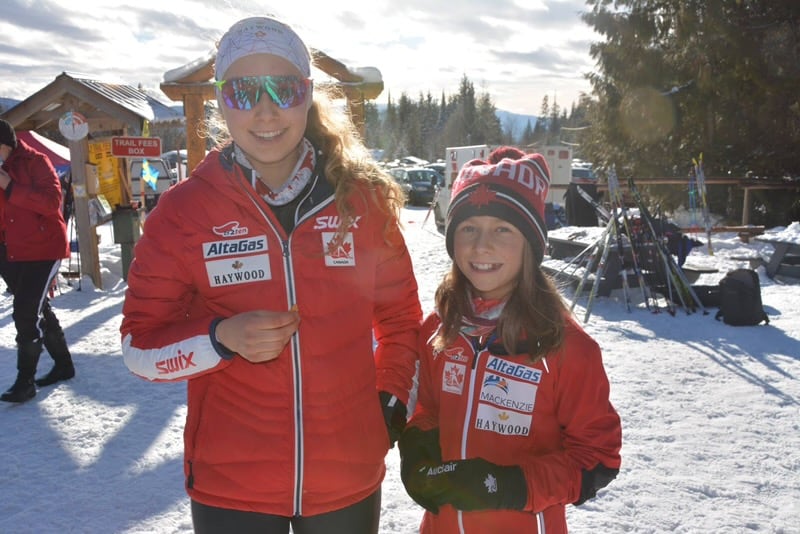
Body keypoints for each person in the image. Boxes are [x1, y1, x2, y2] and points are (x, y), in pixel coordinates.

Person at [120, 15, 422, 534]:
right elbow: (140, 350)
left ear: (306, 95)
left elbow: (402, 322)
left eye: (283, 89)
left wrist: (389, 405)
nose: (265, 110)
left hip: (346, 479)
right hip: (232, 487)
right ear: (221, 100)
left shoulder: (362, 201)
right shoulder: (184, 212)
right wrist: (221, 339)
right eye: (243, 91)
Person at [398, 147, 622, 533]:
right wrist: (417, 443)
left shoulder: (566, 347)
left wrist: (511, 486)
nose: (481, 246)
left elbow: (597, 458)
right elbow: (430, 407)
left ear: (531, 245)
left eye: (502, 229)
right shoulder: (439, 328)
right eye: (469, 228)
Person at [0, 119, 74, 403]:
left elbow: (49, 202)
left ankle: (25, 381)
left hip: (43, 249)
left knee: (25, 311)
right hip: (10, 251)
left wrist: (8, 185)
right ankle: (64, 365)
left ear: (5, 146)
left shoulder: (36, 161)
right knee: (36, 305)